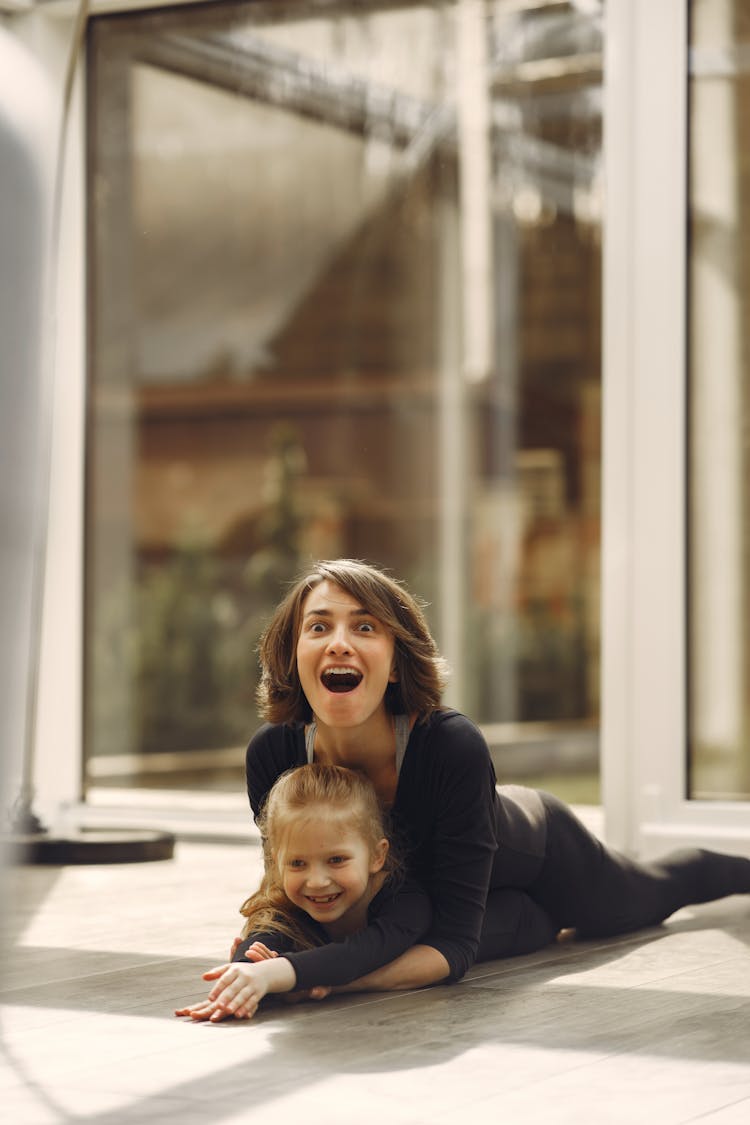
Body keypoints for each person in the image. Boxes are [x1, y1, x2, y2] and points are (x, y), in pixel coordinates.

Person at [182, 558, 750, 1018]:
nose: (338, 643)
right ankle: (536, 919)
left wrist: (327, 984)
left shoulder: (451, 745)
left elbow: (452, 949)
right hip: (427, 903)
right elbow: (289, 887)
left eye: (364, 627)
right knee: (520, 928)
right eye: (319, 626)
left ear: (397, 663)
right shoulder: (272, 754)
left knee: (638, 902)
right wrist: (253, 962)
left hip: (535, 852)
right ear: (292, 654)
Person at [175, 761, 431, 1021]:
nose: (317, 881)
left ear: (377, 856)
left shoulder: (406, 901)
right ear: (276, 861)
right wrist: (246, 973)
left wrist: (276, 973)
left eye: (336, 860)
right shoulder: (290, 902)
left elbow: (359, 954)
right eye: (297, 863)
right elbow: (264, 936)